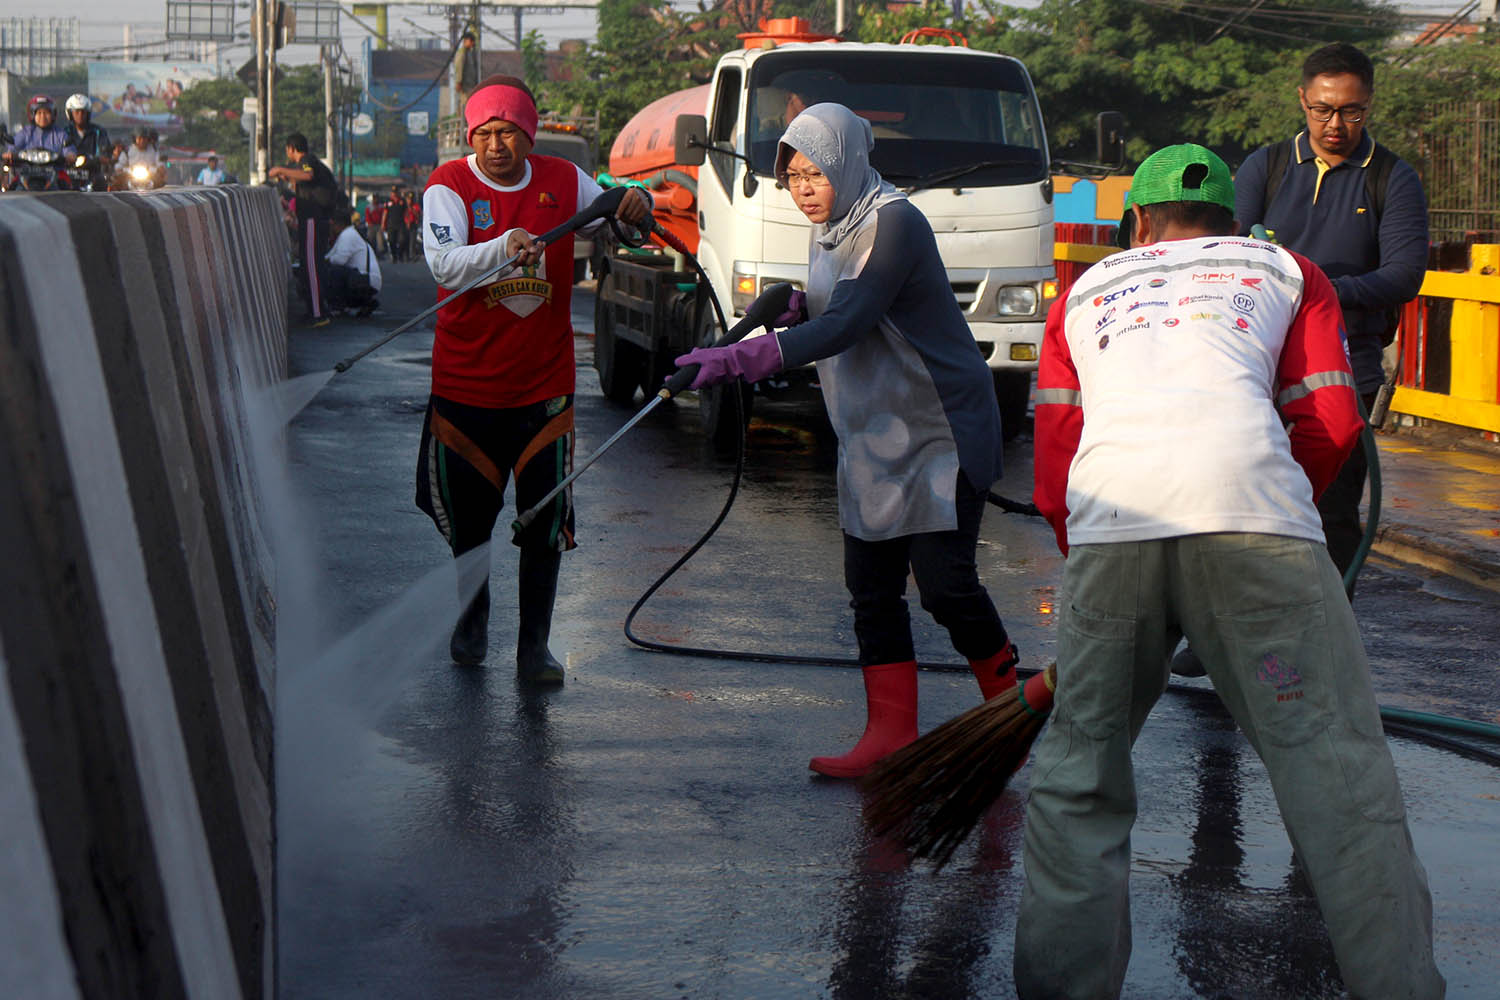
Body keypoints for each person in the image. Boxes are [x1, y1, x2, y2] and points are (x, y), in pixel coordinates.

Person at [1016, 143, 1443, 999]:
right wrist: (1280, 505)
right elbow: (1330, 414)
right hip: (1259, 534)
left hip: (1113, 531)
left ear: (1137, 221)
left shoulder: (1085, 294)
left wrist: (1089, 549)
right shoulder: (1286, 271)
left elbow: (1057, 449)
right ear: (1231, 223)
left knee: (1078, 780)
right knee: (1338, 777)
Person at [675, 103, 1019, 777]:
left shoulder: (894, 222)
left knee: (946, 587)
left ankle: (1014, 716)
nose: (804, 187)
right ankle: (890, 733)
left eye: (816, 173)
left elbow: (852, 321)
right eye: (793, 175)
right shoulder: (831, 227)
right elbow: (837, 307)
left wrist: (744, 358)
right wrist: (800, 306)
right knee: (871, 588)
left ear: (850, 165)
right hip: (873, 429)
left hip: (939, 426)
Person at [416, 74, 651, 683]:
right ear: (472, 136)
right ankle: (472, 619)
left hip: (544, 385)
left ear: (530, 134)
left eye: (510, 132)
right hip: (467, 385)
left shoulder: (562, 180)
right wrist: (502, 245)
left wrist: (632, 206)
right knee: (471, 523)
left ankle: (533, 647)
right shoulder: (449, 186)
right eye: (486, 133)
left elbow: (611, 224)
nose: (498, 145)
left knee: (544, 519)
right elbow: (444, 263)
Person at [1235, 42, 1429, 596]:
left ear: (1369, 104)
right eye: (1322, 109)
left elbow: (1403, 275)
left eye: (1351, 110)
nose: (1335, 124)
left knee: (1332, 514)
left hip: (1347, 372)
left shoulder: (1392, 178)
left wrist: (1316, 290)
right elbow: (1233, 255)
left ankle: (1325, 638)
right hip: (1260, 367)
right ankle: (1224, 634)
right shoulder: (1265, 166)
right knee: (1247, 509)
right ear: (1302, 100)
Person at [269, 132, 341, 325]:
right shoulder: (308, 164)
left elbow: (307, 175)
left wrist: (278, 169)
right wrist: (286, 176)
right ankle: (316, 310)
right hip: (314, 219)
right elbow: (302, 181)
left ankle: (318, 314)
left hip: (312, 219)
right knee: (311, 265)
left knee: (311, 266)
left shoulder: (307, 161)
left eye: (287, 150)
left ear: (292, 148)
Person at [325, 211, 382, 316]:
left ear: (339, 224)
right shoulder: (348, 234)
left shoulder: (348, 235)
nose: (331, 229)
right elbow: (331, 255)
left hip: (366, 280)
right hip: (366, 280)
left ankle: (338, 307)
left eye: (332, 225)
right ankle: (364, 303)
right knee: (334, 269)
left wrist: (326, 261)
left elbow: (339, 260)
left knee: (335, 271)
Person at [3, 95, 70, 160]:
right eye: (39, 113)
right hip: (26, 169)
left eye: (46, 113)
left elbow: (69, 149)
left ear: (53, 115)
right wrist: (9, 153)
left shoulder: (60, 134)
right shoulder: (26, 132)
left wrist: (70, 155)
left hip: (55, 169)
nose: (43, 116)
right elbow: (14, 146)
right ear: (32, 115)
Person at [62, 93, 112, 169]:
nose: (80, 115)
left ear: (88, 114)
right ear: (70, 114)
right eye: (77, 112)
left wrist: (94, 158)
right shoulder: (65, 132)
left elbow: (105, 154)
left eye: (83, 112)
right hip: (69, 172)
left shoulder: (99, 131)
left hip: (94, 172)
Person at [383, 186, 410, 263]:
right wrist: (383, 223)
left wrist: (407, 222)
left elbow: (406, 212)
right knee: (391, 241)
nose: (394, 194)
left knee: (402, 240)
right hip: (391, 224)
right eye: (393, 192)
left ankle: (400, 255)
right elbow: (385, 213)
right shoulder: (388, 202)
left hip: (401, 224)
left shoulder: (402, 201)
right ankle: (394, 257)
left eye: (395, 192)